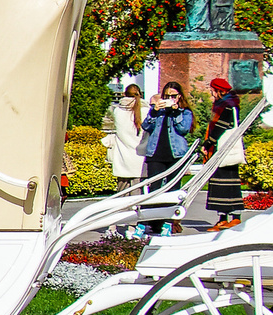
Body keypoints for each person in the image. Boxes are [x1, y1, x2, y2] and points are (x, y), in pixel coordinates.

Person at [138, 81, 195, 235]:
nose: (170, 98)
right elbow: (146, 127)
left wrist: (176, 112)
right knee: (154, 190)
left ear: (179, 96)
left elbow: (183, 129)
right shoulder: (159, 111)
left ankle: (170, 223)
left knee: (172, 190)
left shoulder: (185, 112)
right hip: (156, 153)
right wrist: (154, 111)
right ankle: (154, 222)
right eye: (167, 96)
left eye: (173, 96)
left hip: (175, 155)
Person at [204, 76, 245, 230]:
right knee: (223, 185)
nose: (212, 93)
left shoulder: (227, 105)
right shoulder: (229, 103)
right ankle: (224, 217)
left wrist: (209, 143)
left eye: (213, 90)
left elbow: (220, 127)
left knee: (226, 184)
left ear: (219, 91)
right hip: (225, 150)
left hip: (224, 150)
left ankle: (233, 217)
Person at [103, 83, 145, 190]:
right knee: (137, 196)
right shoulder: (146, 111)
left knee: (122, 195)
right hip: (140, 159)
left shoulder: (117, 111)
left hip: (122, 159)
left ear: (124, 94)